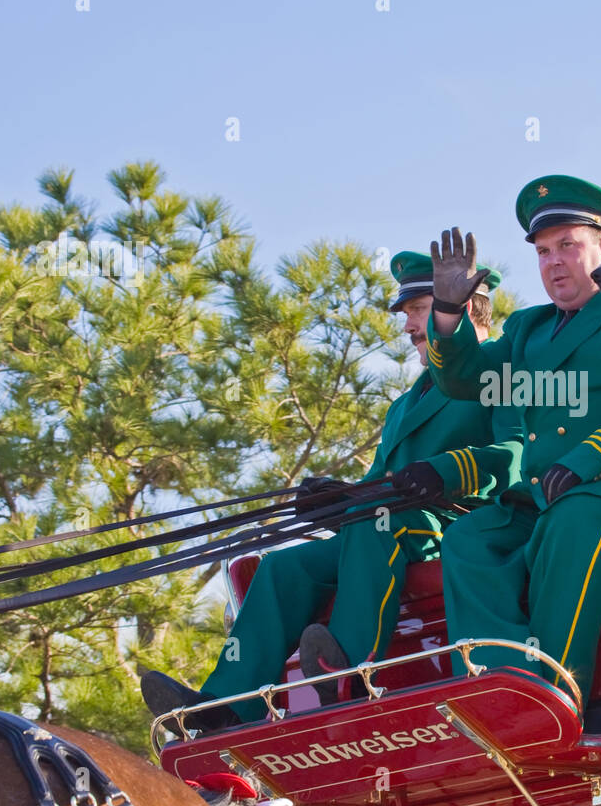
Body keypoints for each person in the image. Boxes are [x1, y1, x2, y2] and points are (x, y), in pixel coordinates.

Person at [141, 253, 520, 730]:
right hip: (387, 524)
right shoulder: (405, 404)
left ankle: (348, 675)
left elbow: (520, 452)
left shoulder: (498, 372)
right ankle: (225, 707)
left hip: (460, 526)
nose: (407, 327)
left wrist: (447, 470)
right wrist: (338, 500)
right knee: (283, 565)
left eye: (418, 310)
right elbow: (381, 482)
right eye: (406, 315)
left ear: (459, 308)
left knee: (371, 526)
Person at [425, 175, 601, 702]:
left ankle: (557, 691)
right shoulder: (529, 328)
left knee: (570, 522)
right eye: (544, 251)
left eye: (568, 246)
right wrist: (448, 312)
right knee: (470, 538)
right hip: (551, 488)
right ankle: (504, 688)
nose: (554, 262)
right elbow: (464, 380)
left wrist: (588, 460)